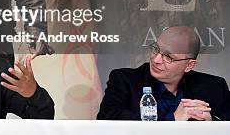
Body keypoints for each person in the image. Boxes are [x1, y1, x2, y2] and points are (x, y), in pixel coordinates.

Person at [97, 26, 230, 120]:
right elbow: (107, 118)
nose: (156, 59)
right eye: (156, 49)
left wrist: (212, 124)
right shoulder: (124, 80)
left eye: (168, 57)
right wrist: (172, 120)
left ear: (189, 65)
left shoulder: (215, 87)